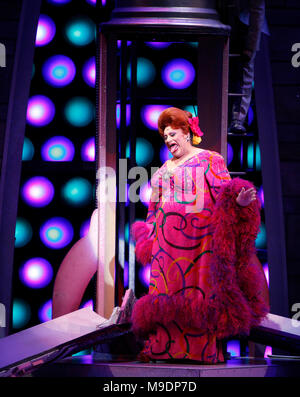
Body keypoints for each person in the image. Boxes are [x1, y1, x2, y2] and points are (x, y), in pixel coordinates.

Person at [131, 107, 269, 363]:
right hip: (165, 247)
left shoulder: (209, 159)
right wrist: (149, 232)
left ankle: (200, 351)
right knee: (166, 295)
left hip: (198, 244)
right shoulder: (163, 169)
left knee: (198, 294)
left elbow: (223, 193)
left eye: (172, 133)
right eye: (164, 136)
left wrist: (237, 202)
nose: (169, 140)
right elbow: (154, 207)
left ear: (187, 132)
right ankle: (165, 347)